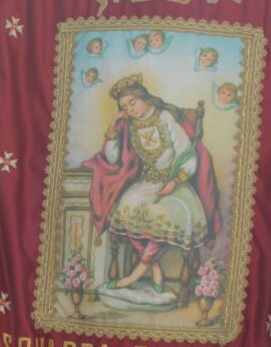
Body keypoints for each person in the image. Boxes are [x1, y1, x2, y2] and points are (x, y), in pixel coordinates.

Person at [84, 74, 221, 294]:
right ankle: (154, 267)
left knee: (166, 214)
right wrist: (113, 125)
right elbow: (111, 158)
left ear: (143, 97)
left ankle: (135, 275)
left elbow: (188, 156)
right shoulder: (128, 124)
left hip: (174, 183)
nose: (131, 109)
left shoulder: (165, 117)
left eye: (133, 103)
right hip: (146, 183)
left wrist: (175, 181)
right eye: (125, 107)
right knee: (126, 211)